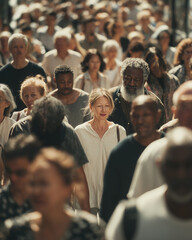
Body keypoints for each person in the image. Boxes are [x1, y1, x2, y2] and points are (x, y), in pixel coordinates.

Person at [106, 127, 192, 240]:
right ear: (160, 166)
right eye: (173, 165)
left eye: (189, 165)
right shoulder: (131, 217)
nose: (181, 175)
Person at [9, 95, 90, 211]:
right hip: (26, 202)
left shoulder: (67, 132)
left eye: (50, 122)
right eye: (42, 121)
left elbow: (79, 175)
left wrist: (86, 210)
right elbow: (10, 171)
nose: (45, 123)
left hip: (59, 203)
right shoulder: (19, 130)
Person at [4, 148, 104, 240]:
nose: (36, 191)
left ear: (67, 187)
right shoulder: (15, 231)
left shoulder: (89, 230)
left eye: (44, 183)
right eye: (33, 184)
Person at [100, 95, 164, 223]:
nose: (140, 120)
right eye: (136, 115)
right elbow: (108, 204)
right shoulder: (119, 153)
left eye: (146, 115)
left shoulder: (171, 149)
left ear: (157, 116)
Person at [127, 81, 192, 199]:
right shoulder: (153, 154)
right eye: (185, 105)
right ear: (174, 111)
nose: (191, 111)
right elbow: (137, 202)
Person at [75, 88, 126, 214]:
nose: (103, 110)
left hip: (111, 197)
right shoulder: (79, 132)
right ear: (91, 107)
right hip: (87, 198)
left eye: (107, 106)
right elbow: (75, 167)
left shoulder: (119, 131)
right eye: (99, 106)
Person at [108, 57, 165, 135]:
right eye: (128, 78)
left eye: (136, 80)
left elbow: (160, 134)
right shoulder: (108, 97)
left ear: (144, 81)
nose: (131, 83)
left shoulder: (154, 103)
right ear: (122, 77)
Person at [0, 33, 47, 110]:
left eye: (21, 47)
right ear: (10, 49)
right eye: (15, 47)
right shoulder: (3, 73)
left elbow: (44, 96)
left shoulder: (38, 70)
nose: (19, 50)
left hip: (34, 113)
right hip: (9, 116)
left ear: (26, 48)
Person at [0, 134, 41, 222]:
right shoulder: (2, 200)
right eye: (9, 171)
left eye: (20, 173)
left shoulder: (45, 200)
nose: (13, 178)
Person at [144, 46, 179, 121]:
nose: (156, 65)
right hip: (155, 123)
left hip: (172, 121)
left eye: (158, 61)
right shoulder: (146, 84)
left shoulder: (172, 80)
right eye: (152, 61)